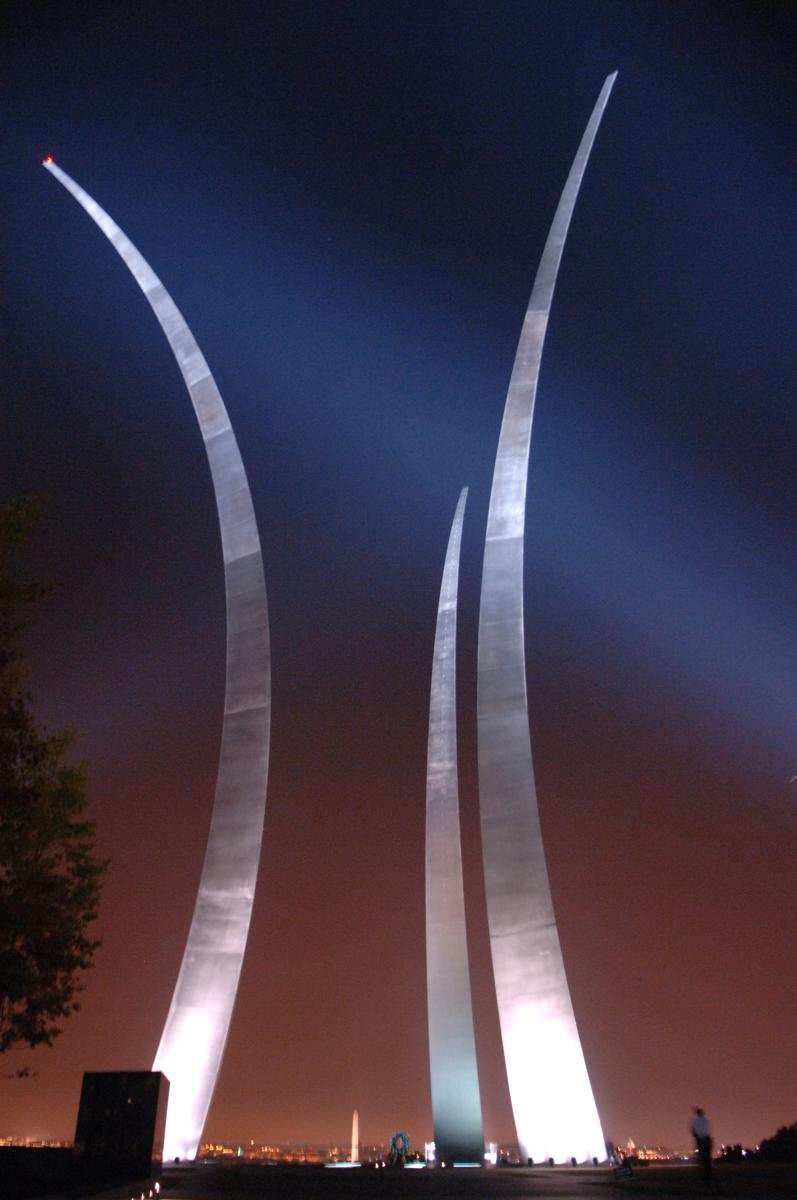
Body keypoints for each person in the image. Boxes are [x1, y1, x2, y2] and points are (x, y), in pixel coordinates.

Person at [691, 1107, 713, 1189]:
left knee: (701, 1158)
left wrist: (698, 1137)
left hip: (701, 1141)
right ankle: (708, 1173)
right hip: (707, 1141)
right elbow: (707, 1131)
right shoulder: (706, 1121)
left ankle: (704, 1175)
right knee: (707, 1159)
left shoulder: (696, 1121)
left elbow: (694, 1132)